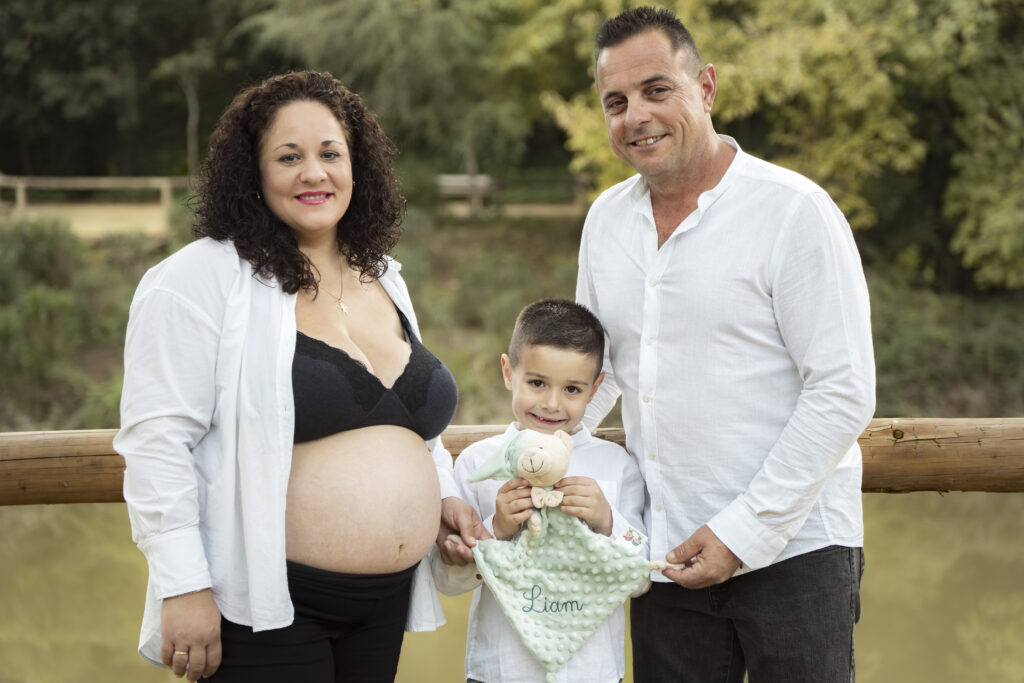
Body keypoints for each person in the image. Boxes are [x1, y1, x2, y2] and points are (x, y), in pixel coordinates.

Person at [114, 70, 486, 683]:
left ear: (356, 165)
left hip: (383, 604)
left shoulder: (384, 276)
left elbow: (414, 430)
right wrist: (183, 586)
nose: (314, 173)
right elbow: (156, 444)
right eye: (289, 157)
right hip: (267, 609)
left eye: (329, 153)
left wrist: (443, 491)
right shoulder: (199, 281)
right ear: (252, 173)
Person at [576, 7, 877, 682]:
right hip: (663, 554)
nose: (637, 116)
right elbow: (596, 374)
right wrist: (530, 458)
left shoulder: (795, 212)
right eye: (616, 102)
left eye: (658, 90)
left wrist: (741, 532)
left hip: (796, 552)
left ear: (706, 88)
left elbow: (843, 388)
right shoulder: (605, 222)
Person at [430, 299, 647, 683]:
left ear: (595, 389)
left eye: (573, 389)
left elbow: (642, 580)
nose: (551, 403)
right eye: (536, 383)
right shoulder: (479, 464)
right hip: (499, 670)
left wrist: (607, 521)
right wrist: (495, 529)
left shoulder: (617, 466)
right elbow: (447, 582)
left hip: (592, 672)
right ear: (508, 372)